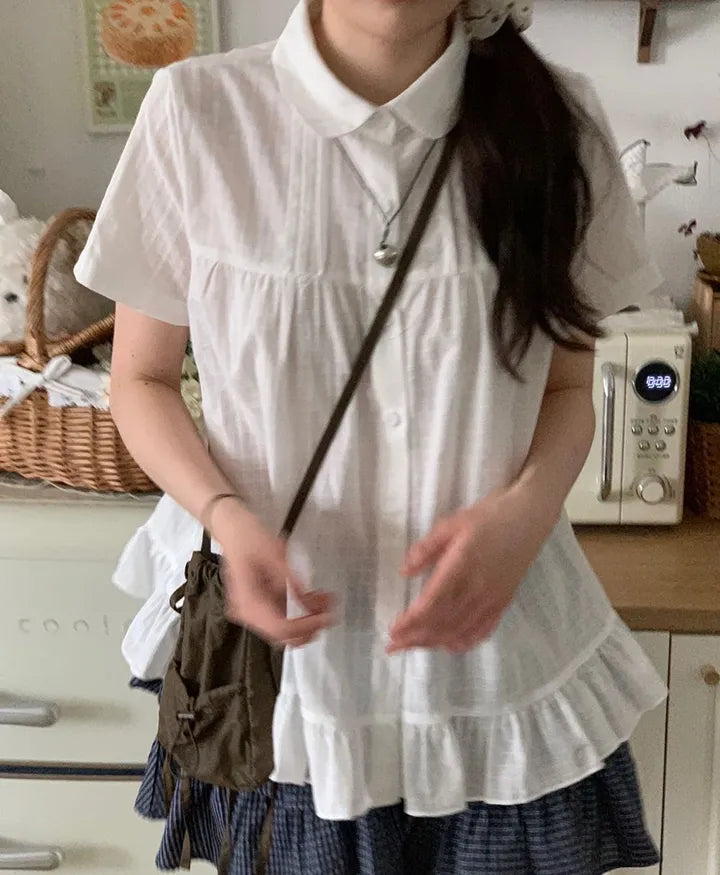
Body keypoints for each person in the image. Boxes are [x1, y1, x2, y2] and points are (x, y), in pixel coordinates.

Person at [74, 0, 669, 872]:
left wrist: (524, 515)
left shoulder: (559, 120)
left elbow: (571, 385)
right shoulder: (198, 111)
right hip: (289, 695)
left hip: (494, 679)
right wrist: (226, 516)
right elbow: (141, 380)